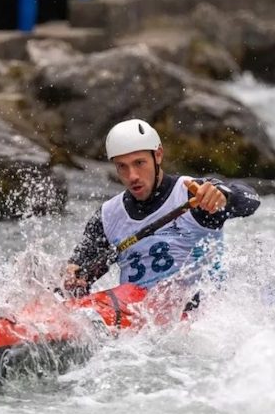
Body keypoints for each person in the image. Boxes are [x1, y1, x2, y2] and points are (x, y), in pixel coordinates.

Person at [63, 119, 261, 303]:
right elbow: (80, 270)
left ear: (158, 155)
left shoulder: (193, 193)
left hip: (197, 310)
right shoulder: (108, 216)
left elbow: (250, 199)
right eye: (122, 166)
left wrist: (224, 196)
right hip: (139, 318)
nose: (132, 176)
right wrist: (74, 278)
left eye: (139, 163)